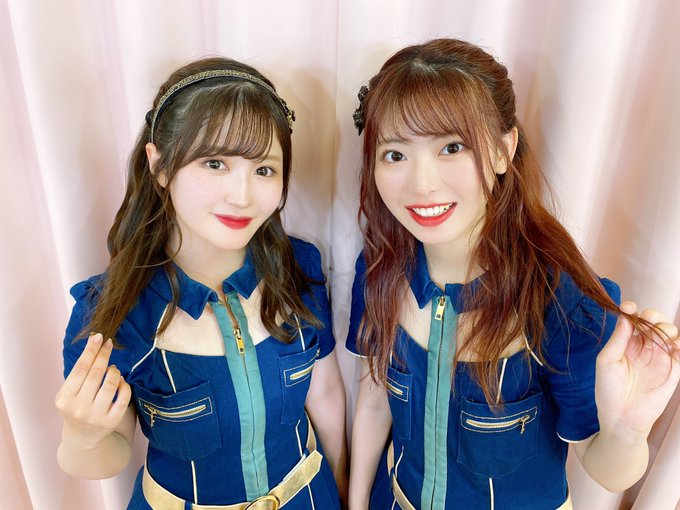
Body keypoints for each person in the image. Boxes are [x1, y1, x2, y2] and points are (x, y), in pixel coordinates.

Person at [346, 38, 679, 510]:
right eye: (395, 154)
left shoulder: (560, 301)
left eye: (451, 147)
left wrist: (626, 430)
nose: (421, 184)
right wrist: (356, 502)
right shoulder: (378, 270)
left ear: (504, 150)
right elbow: (374, 401)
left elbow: (605, 470)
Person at [55, 57, 347, 509]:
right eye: (214, 163)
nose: (242, 196)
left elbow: (324, 392)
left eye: (263, 170)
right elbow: (109, 453)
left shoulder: (297, 266)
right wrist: (81, 436)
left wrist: (343, 489)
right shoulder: (114, 310)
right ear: (160, 165)